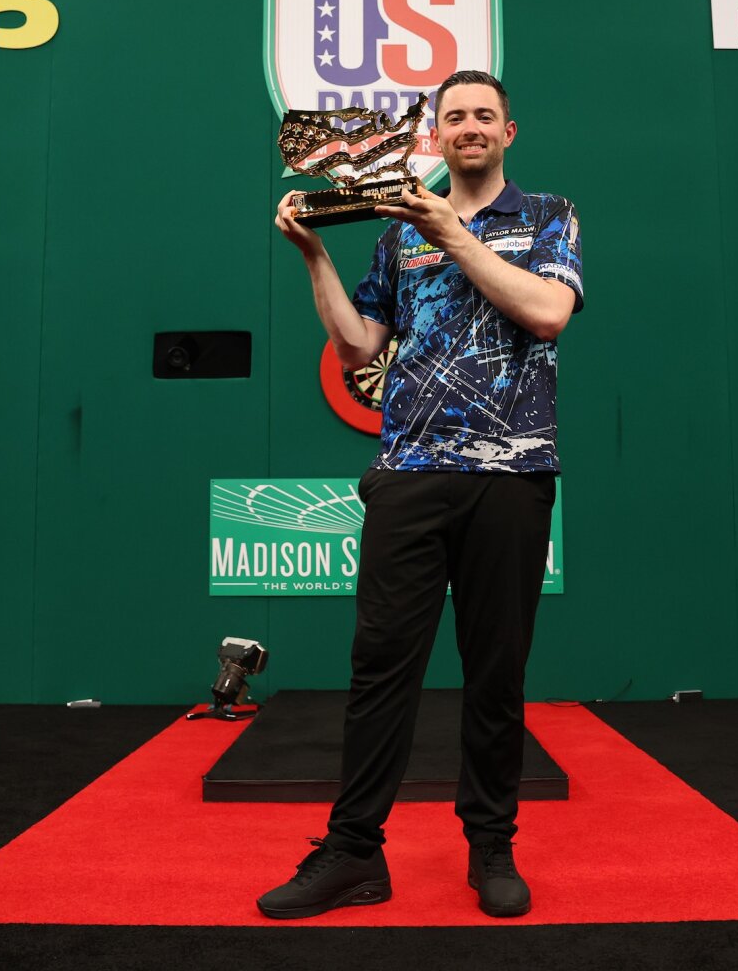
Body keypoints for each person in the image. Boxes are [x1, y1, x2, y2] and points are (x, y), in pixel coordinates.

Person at [258, 70, 583, 920]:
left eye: (484, 115)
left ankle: (491, 847)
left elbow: (548, 313)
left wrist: (453, 234)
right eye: (455, 117)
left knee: (496, 673)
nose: (469, 127)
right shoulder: (397, 233)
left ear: (508, 131)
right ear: (434, 136)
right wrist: (314, 254)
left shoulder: (548, 216)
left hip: (512, 476)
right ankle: (353, 853)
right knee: (379, 671)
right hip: (408, 473)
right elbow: (359, 345)